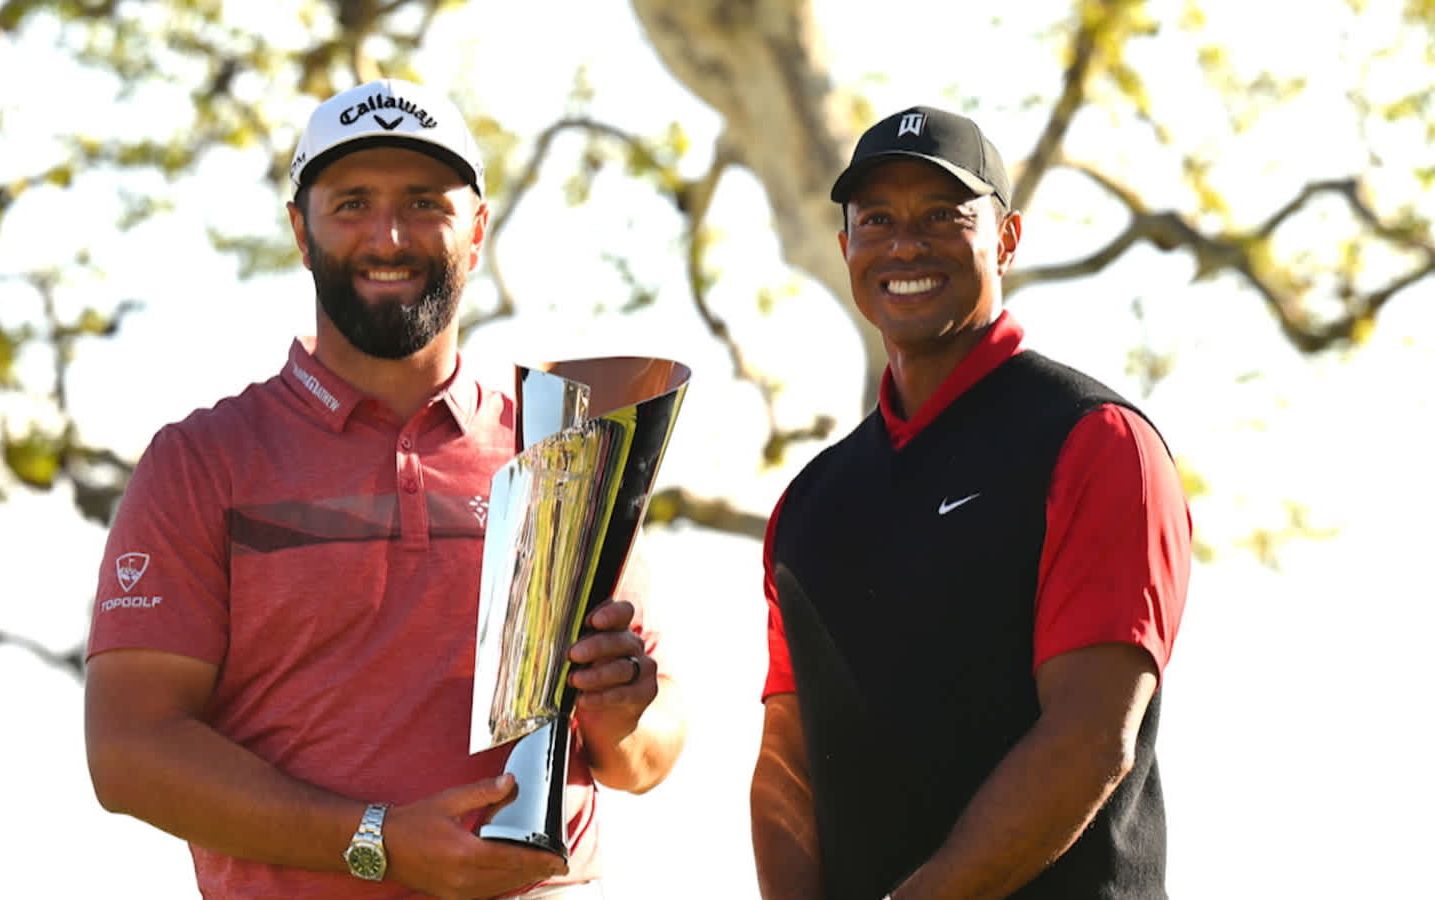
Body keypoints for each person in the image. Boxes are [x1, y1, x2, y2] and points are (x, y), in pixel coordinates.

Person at [84, 78, 685, 900]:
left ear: (476, 231)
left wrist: (624, 710)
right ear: (301, 232)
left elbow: (646, 758)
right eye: (352, 204)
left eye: (424, 203)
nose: (389, 235)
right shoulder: (203, 461)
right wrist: (377, 842)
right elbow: (129, 751)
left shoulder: (564, 444)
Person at [749, 105, 1191, 900]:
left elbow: (1092, 736)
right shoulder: (808, 505)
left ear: (1008, 239)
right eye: (876, 219)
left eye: (943, 215)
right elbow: (787, 759)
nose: (905, 244)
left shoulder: (1095, 443)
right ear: (845, 245)